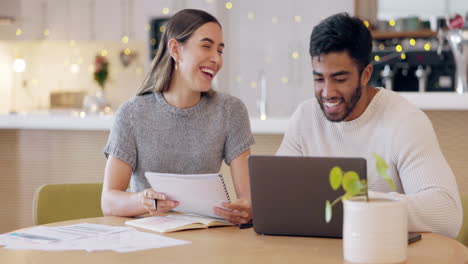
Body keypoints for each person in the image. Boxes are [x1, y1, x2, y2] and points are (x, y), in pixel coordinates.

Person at [277, 13, 462, 238]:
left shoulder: (405, 122)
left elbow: (447, 213)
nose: (327, 92)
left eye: (340, 79)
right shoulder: (305, 117)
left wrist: (361, 204)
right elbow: (278, 195)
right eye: (319, 79)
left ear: (366, 74)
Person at [101, 9, 254, 225]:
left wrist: (246, 209)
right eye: (206, 46)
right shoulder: (132, 114)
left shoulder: (230, 111)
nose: (216, 59)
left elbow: (248, 200)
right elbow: (108, 201)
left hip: (208, 239)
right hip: (149, 240)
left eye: (220, 50)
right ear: (175, 49)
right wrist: (143, 201)